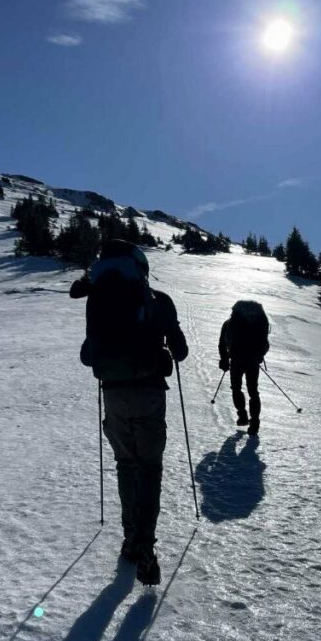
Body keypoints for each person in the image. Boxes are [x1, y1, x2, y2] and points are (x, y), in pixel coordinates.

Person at [71, 239, 188, 585]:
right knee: (149, 469)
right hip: (149, 394)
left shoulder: (97, 300)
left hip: (113, 395)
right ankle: (146, 548)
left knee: (126, 465)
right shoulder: (158, 301)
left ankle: (130, 539)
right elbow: (180, 352)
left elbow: (87, 355)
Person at [218, 300, 269, 435]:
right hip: (252, 361)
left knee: (236, 388)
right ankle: (255, 423)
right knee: (253, 391)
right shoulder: (259, 324)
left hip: (236, 360)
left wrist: (224, 360)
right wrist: (259, 356)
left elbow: (222, 344)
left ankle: (242, 415)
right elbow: (265, 344)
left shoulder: (229, 324)